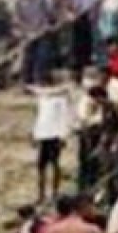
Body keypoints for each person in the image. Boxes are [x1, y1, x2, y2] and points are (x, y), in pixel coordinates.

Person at [27, 74, 73, 204]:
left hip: (55, 135)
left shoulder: (60, 99)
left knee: (54, 164)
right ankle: (41, 194)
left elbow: (64, 117)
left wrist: (64, 135)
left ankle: (54, 193)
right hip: (43, 134)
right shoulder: (43, 98)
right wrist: (35, 133)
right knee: (41, 165)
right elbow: (40, 117)